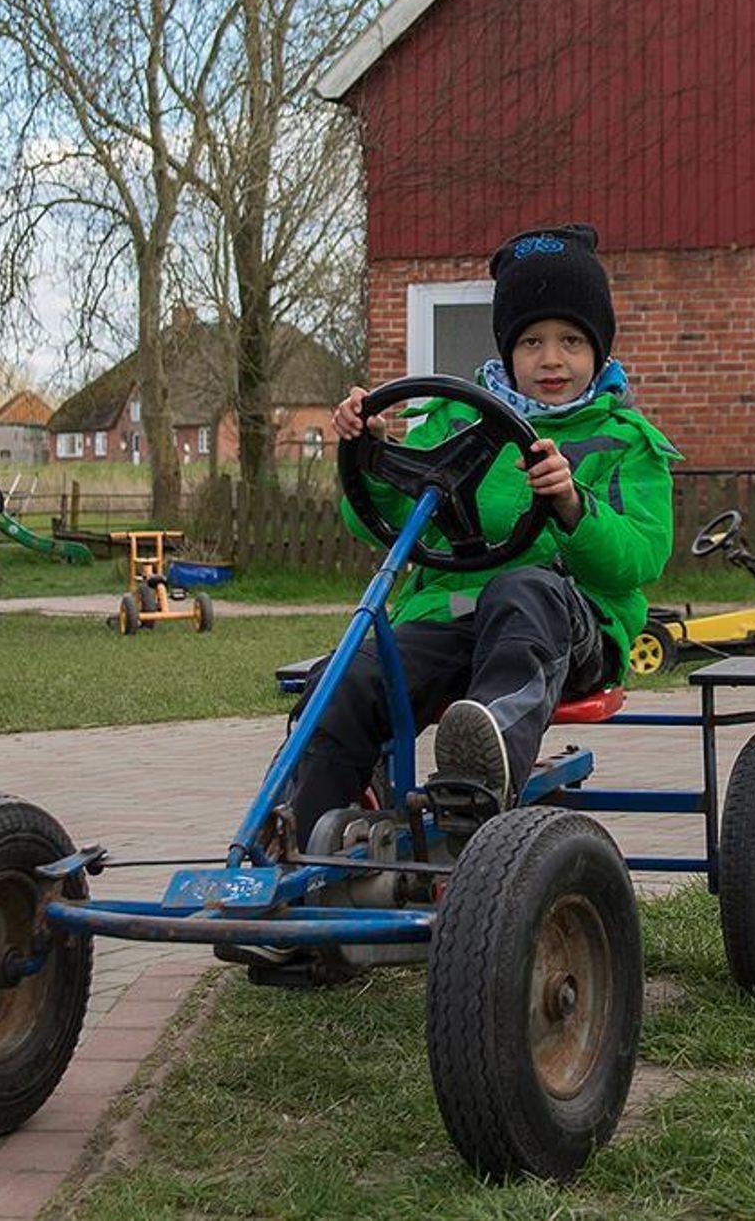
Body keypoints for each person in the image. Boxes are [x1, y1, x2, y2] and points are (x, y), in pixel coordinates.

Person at [287, 223, 678, 844]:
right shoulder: (452, 419)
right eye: (532, 342)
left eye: (572, 341)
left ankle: (478, 772)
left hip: (568, 628)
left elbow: (641, 558)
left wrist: (573, 505)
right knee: (348, 677)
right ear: (507, 349)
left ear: (599, 350)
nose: (552, 359)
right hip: (449, 622)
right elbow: (382, 523)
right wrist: (373, 455)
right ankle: (299, 844)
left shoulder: (626, 441)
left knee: (524, 588)